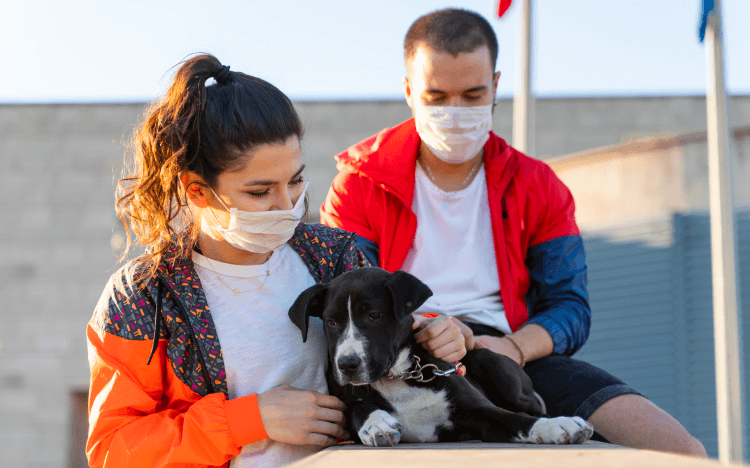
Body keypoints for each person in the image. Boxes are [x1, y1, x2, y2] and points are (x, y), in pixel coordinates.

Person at [321, 8, 707, 457]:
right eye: (437, 96)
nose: (456, 112)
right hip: (402, 360)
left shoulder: (538, 185)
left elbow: (570, 307)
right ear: (409, 91)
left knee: (683, 453)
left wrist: (514, 348)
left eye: (471, 94)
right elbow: (355, 297)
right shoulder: (359, 184)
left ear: (496, 87)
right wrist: (427, 327)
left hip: (511, 354)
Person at [86, 54, 467, 468]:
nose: (288, 206)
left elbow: (396, 348)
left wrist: (439, 336)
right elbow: (112, 450)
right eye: (260, 191)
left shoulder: (333, 256)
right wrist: (249, 419)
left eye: (296, 180)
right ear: (197, 190)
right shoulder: (142, 296)